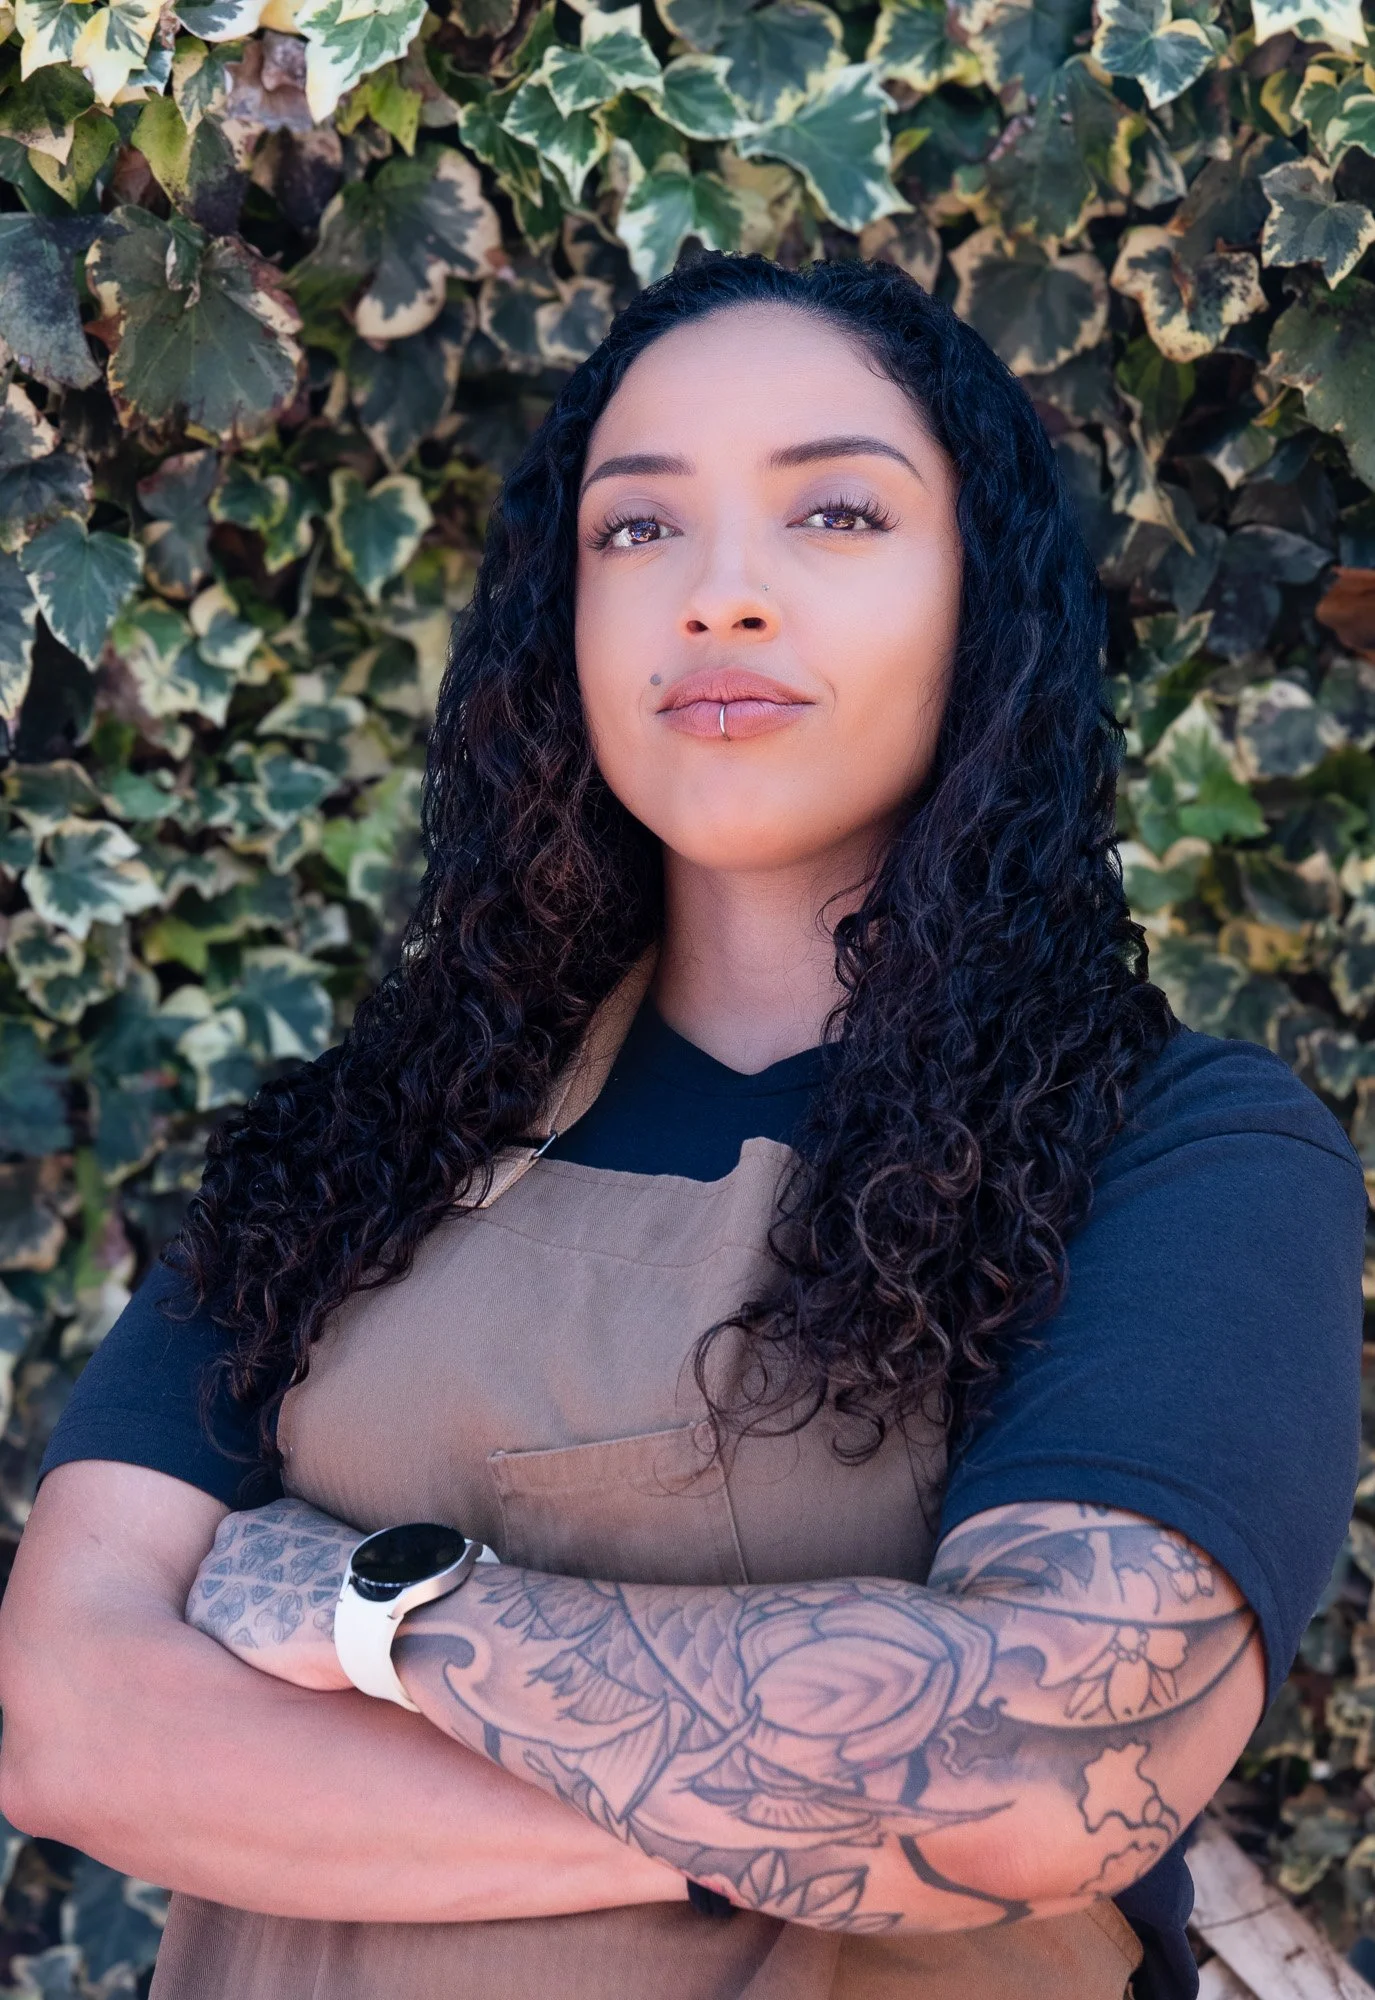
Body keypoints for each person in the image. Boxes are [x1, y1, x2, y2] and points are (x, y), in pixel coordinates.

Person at [0, 253, 1362, 2000]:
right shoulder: (362, 1140)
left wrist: (374, 1615)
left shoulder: (1180, 1151)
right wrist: (816, 1829)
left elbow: (1037, 1767)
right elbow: (73, 1726)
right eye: (636, 531)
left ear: (984, 605)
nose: (717, 596)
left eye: (839, 516)